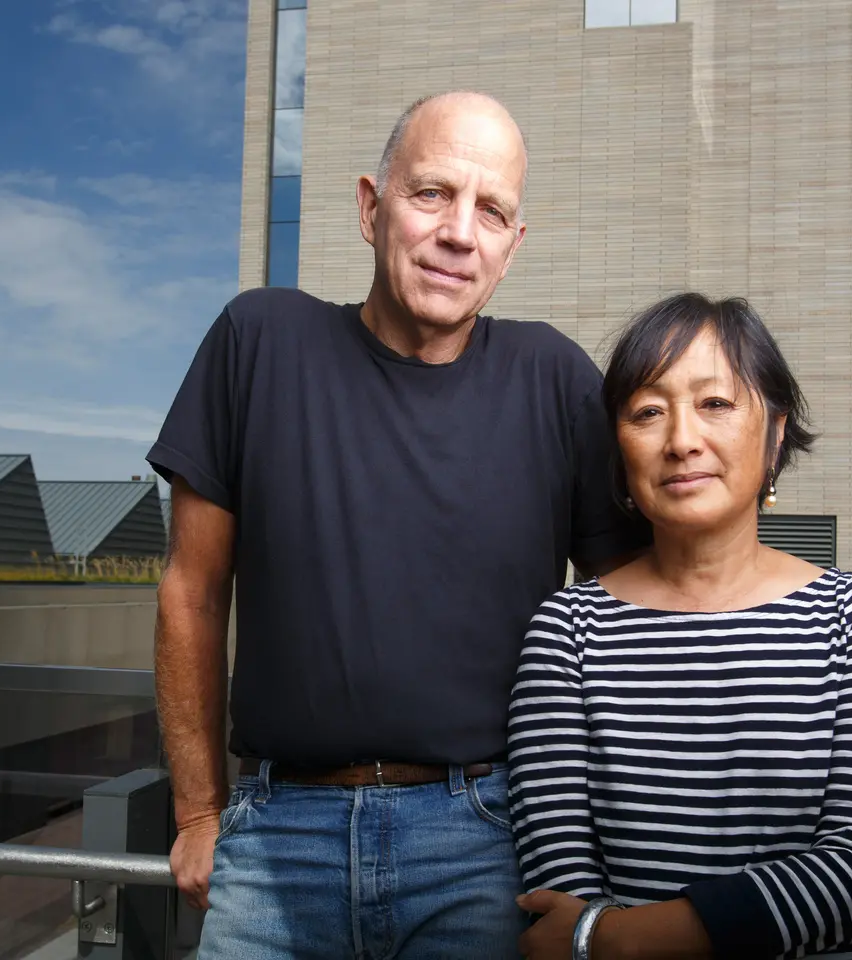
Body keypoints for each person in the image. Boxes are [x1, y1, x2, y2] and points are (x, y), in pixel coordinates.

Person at [147, 90, 648, 959]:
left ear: (512, 246)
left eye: (491, 211)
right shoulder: (259, 340)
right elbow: (191, 591)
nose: (460, 232)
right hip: (274, 838)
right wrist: (197, 811)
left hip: (485, 838)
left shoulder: (556, 380)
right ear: (370, 207)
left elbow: (625, 625)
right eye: (432, 194)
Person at [507, 292, 852, 960]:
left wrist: (622, 938)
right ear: (619, 451)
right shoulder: (568, 631)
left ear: (774, 432)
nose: (681, 440)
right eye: (648, 412)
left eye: (715, 404)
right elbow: (556, 873)